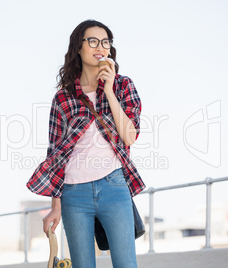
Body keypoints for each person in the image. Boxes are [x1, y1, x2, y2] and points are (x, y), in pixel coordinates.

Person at [26, 19, 145, 268]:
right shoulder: (63, 97)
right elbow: (55, 155)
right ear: (78, 48)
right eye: (92, 41)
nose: (100, 46)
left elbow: (130, 136)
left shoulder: (123, 86)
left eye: (105, 42)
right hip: (73, 194)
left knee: (126, 264)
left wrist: (109, 91)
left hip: (114, 186)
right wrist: (55, 206)